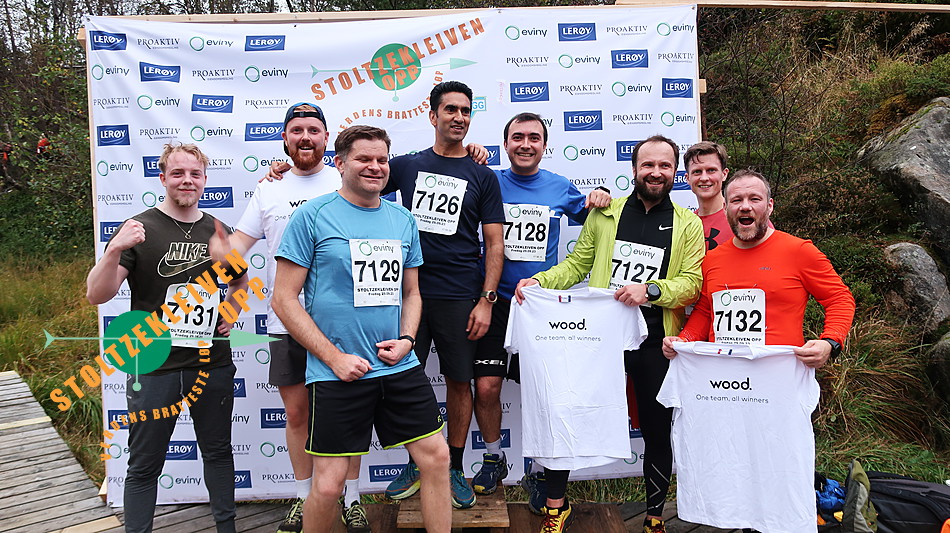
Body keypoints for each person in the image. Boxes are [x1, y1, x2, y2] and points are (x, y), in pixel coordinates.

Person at [516, 135, 705, 533]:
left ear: (675, 172)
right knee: (567, 411)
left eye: (665, 166)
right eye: (648, 165)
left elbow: (692, 283)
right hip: (598, 339)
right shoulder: (606, 214)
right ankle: (556, 506)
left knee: (657, 427)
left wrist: (650, 290)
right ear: (634, 169)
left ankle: (654, 516)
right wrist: (541, 281)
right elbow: (576, 265)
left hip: (655, 339)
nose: (656, 172)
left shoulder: (688, 223)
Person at [272, 125, 451, 533]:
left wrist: (407, 340)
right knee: (329, 485)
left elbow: (412, 293)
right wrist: (334, 358)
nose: (375, 167)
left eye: (382, 160)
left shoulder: (403, 219)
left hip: (397, 365)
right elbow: (283, 299)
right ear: (339, 163)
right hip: (336, 371)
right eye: (364, 159)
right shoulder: (312, 216)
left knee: (437, 458)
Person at [661, 169, 855, 532]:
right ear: (726, 208)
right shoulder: (713, 259)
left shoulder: (799, 251)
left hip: (776, 384)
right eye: (736, 200)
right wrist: (684, 341)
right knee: (731, 460)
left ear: (769, 206)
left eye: (754, 199)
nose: (745, 207)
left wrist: (830, 341)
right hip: (724, 385)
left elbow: (839, 298)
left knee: (779, 463)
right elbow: (705, 311)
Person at [209, 103, 364, 533]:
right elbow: (237, 249)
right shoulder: (268, 189)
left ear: (327, 138)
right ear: (285, 138)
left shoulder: (346, 179)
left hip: (344, 323)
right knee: (296, 415)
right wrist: (223, 254)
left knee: (346, 415)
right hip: (286, 323)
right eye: (297, 130)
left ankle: (352, 499)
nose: (305, 137)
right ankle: (302, 498)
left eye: (314, 129)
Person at [87, 143, 247, 533]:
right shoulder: (138, 228)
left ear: (205, 180)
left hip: (211, 363)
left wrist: (231, 310)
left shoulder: (218, 230)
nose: (187, 180)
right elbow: (97, 294)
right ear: (162, 178)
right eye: (178, 173)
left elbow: (240, 281)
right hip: (153, 364)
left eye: (195, 174)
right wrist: (114, 249)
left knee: (218, 453)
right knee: (144, 463)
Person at [472, 112, 609, 506]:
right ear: (505, 143)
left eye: (534, 137)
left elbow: (598, 217)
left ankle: (537, 472)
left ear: (545, 146)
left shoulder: (559, 186)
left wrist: (601, 194)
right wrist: (468, 154)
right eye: (517, 137)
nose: (526, 144)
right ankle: (494, 458)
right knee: (487, 387)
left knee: (542, 394)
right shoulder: (488, 180)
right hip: (493, 301)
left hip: (538, 306)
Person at [381, 81, 505, 510]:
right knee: (404, 379)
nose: (459, 117)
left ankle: (453, 464)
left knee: (458, 380)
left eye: (465, 110)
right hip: (407, 293)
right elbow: (354, 179)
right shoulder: (406, 166)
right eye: (450, 109)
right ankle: (418, 461)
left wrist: (486, 299)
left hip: (460, 294)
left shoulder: (483, 174)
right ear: (433, 115)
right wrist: (283, 170)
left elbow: (495, 243)